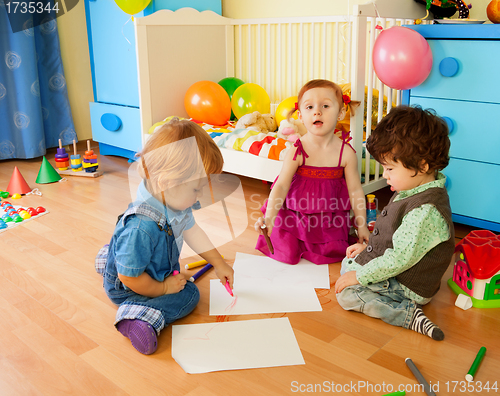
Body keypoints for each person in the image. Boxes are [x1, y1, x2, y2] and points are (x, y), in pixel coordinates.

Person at [95, 118, 234, 355]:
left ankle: (110, 255)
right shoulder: (142, 227)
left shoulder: (171, 198)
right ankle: (137, 317)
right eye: (196, 189)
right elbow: (130, 277)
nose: (199, 195)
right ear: (167, 182)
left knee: (133, 251)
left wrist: (219, 263)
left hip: (142, 263)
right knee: (189, 295)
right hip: (131, 285)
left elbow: (193, 231)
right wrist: (163, 289)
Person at [335, 105, 454, 341]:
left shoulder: (425, 211)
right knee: (348, 262)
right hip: (399, 266)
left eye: (389, 168)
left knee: (348, 295)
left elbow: (399, 258)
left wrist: (361, 276)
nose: (385, 175)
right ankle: (376, 286)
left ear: (422, 166)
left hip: (407, 283)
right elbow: (395, 238)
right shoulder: (413, 187)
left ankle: (406, 314)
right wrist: (368, 251)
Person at [255, 79, 370, 264]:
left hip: (327, 220)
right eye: (309, 107)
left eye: (325, 105)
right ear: (300, 116)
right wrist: (269, 218)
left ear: (341, 113)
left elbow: (355, 191)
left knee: (333, 250)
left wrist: (361, 226)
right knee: (284, 242)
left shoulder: (346, 154)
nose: (317, 111)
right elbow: (281, 186)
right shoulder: (297, 150)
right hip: (296, 216)